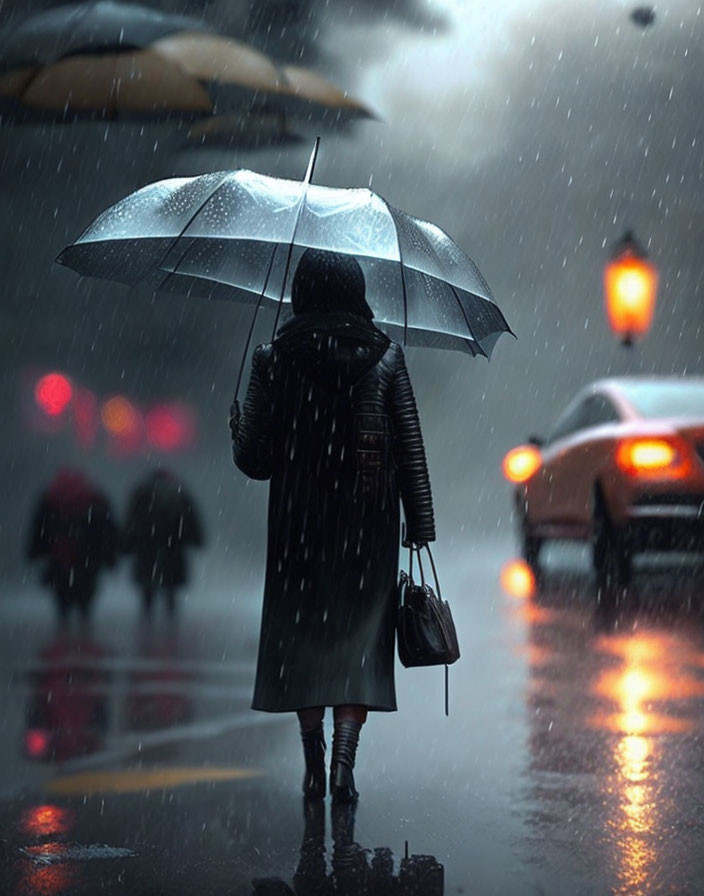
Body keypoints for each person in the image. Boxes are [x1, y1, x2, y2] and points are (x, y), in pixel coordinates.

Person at [230, 248, 435, 803]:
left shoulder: (273, 358)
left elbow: (256, 460)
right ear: (356, 293)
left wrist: (238, 428)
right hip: (366, 524)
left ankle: (313, 758)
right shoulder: (388, 357)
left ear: (301, 293)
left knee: (304, 637)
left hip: (299, 520)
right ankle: (345, 761)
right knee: (357, 641)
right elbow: (410, 448)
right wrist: (420, 523)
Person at [26, 468, 118, 624]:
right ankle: (83, 635)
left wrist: (34, 553)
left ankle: (65, 633)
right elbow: (107, 532)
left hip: (60, 561)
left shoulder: (50, 501)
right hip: (87, 563)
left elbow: (39, 531)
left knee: (62, 605)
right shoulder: (95, 501)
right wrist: (109, 557)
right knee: (85, 605)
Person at [122, 469, 204, 618]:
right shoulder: (178, 495)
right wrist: (196, 540)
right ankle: (170, 625)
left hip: (146, 549)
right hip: (173, 550)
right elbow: (191, 522)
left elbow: (132, 523)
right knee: (170, 591)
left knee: (147, 592)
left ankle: (147, 624)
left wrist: (126, 545)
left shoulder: (142, 495)